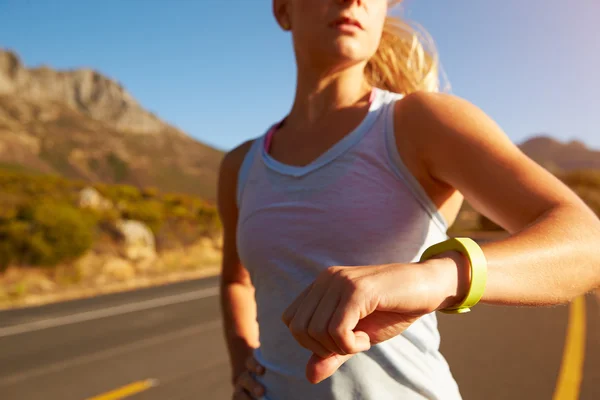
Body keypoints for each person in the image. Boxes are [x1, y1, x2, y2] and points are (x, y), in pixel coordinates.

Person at [217, 0, 600, 399]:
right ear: (283, 11)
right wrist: (241, 359)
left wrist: (436, 277)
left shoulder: (418, 122)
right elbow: (235, 280)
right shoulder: (241, 165)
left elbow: (589, 245)